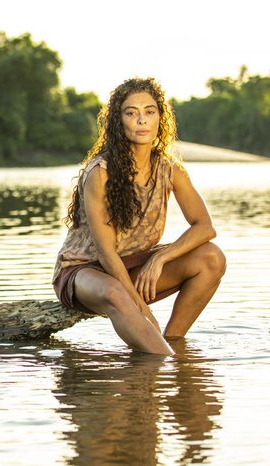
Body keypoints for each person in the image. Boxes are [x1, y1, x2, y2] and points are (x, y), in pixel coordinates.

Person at [52, 77, 226, 355]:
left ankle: (172, 344)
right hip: (85, 271)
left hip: (135, 265)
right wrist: (143, 311)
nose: (141, 120)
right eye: (131, 113)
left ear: (160, 117)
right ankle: (164, 358)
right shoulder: (100, 172)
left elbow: (204, 227)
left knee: (212, 258)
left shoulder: (170, 168)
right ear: (118, 121)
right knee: (115, 292)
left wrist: (160, 258)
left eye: (149, 111)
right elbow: (106, 254)